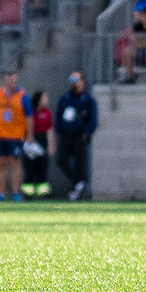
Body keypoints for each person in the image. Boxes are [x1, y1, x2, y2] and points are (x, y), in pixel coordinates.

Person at [0, 70, 29, 201]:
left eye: (13, 80)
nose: (11, 83)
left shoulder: (23, 96)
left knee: (15, 163)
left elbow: (29, 116)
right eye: (8, 80)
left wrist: (28, 133)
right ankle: (1, 193)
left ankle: (16, 193)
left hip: (15, 135)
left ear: (16, 81)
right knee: (1, 163)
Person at [56, 70, 99, 200]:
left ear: (82, 82)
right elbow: (58, 116)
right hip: (66, 135)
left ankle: (80, 188)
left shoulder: (88, 100)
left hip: (80, 136)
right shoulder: (65, 98)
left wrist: (87, 132)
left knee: (79, 164)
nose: (73, 83)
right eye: (71, 80)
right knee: (61, 160)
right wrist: (60, 131)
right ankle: (79, 183)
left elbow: (93, 119)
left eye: (76, 80)